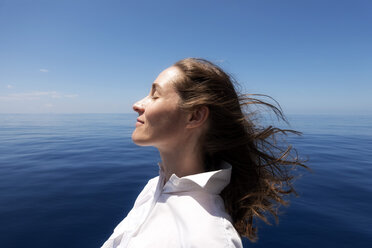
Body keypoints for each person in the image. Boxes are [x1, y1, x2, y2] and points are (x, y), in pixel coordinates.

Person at [101, 58, 306, 248]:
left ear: (195, 116)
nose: (137, 104)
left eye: (155, 95)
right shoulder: (154, 187)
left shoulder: (210, 238)